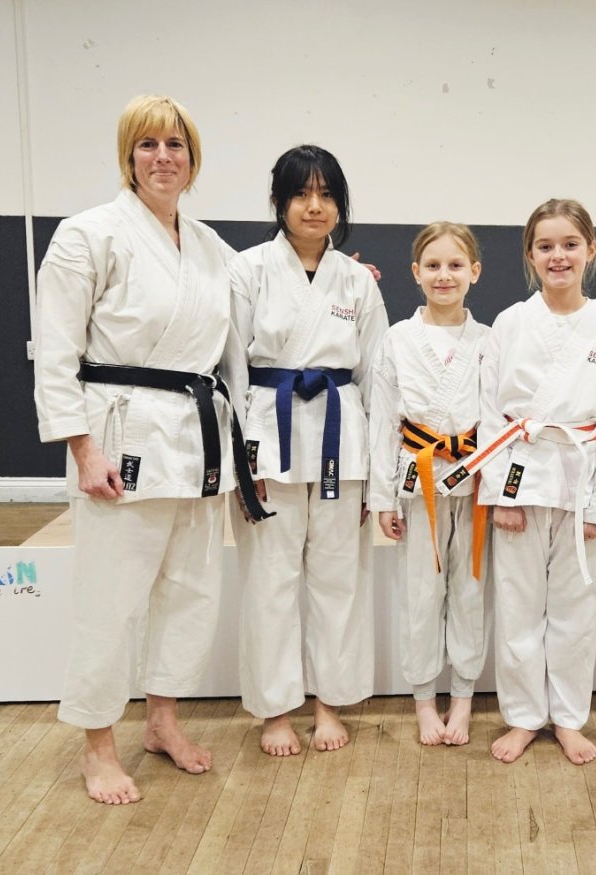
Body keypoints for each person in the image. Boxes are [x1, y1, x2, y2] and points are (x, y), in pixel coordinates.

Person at [34, 95, 259, 804]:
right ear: (128, 156)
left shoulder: (212, 247)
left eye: (176, 145)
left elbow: (255, 311)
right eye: (148, 144)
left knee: (190, 592)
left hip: (197, 442)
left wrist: (344, 273)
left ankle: (163, 721)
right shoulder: (87, 235)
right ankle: (98, 744)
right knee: (109, 600)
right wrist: (82, 448)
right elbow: (56, 353)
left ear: (193, 160)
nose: (163, 157)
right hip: (121, 434)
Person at [452, 199, 596, 765]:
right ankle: (525, 716)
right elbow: (489, 413)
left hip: (582, 480)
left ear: (590, 250)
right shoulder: (510, 323)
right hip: (520, 478)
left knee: (577, 611)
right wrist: (498, 494)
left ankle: (570, 719)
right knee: (520, 608)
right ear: (530, 255)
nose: (559, 256)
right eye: (546, 246)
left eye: (570, 245)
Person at [229, 145, 388, 756]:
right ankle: (275, 711)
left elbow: (377, 378)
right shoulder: (248, 270)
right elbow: (232, 369)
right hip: (269, 435)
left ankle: (329, 703)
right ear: (280, 202)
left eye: (326, 195)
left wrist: (379, 475)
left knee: (337, 578)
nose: (313, 206)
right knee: (270, 580)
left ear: (340, 205)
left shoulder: (357, 281)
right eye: (300, 194)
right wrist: (243, 462)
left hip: (341, 439)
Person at [369, 222, 490, 746]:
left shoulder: (489, 340)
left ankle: (462, 697)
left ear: (475, 272)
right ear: (416, 273)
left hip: (475, 482)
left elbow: (500, 417)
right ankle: (423, 699)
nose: (445, 275)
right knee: (421, 594)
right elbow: (381, 421)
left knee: (470, 592)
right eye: (434, 266)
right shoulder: (397, 339)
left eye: (456, 265)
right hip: (417, 483)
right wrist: (382, 498)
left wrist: (500, 486)